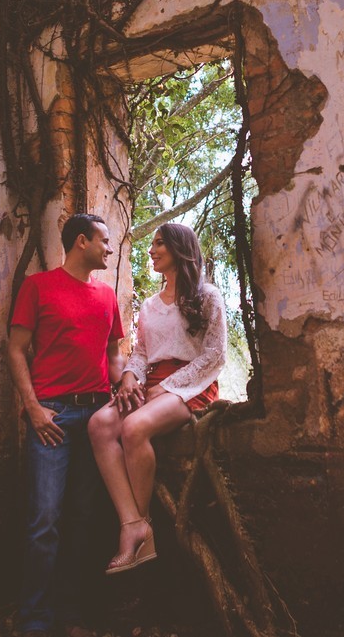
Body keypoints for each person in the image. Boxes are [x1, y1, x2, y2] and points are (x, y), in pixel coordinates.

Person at [7, 213, 125, 637]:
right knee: (45, 521)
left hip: (96, 417)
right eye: (104, 240)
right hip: (52, 418)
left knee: (84, 517)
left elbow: (113, 358)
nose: (109, 248)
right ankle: (35, 621)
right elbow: (16, 349)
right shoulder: (38, 287)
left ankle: (71, 615)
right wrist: (34, 408)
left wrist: (126, 383)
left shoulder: (108, 297)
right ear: (81, 242)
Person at [88, 222, 226, 574]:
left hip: (192, 386)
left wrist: (169, 386)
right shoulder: (149, 306)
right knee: (101, 424)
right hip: (152, 382)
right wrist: (130, 377)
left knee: (134, 427)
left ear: (179, 249)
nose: (151, 250)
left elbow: (215, 354)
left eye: (159, 243)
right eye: (151, 244)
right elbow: (142, 353)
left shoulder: (207, 296)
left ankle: (142, 524)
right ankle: (133, 523)